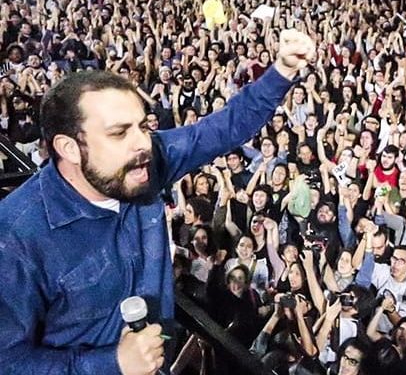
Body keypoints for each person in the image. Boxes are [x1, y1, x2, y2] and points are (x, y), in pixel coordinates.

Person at [0, 29, 315, 374]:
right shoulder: (16, 237)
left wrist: (282, 71)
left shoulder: (144, 165)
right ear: (69, 148)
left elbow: (221, 129)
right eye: (119, 133)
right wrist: (112, 363)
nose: (143, 143)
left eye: (142, 126)